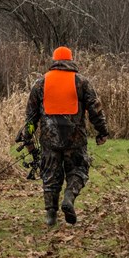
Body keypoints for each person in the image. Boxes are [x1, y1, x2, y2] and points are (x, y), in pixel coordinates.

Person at [16, 46, 109, 226]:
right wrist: (102, 131)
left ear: (54, 60)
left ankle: (51, 214)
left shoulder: (40, 83)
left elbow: (31, 117)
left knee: (50, 173)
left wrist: (28, 137)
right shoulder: (82, 82)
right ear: (70, 60)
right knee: (78, 170)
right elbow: (96, 109)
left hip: (49, 140)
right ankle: (69, 197)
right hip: (76, 138)